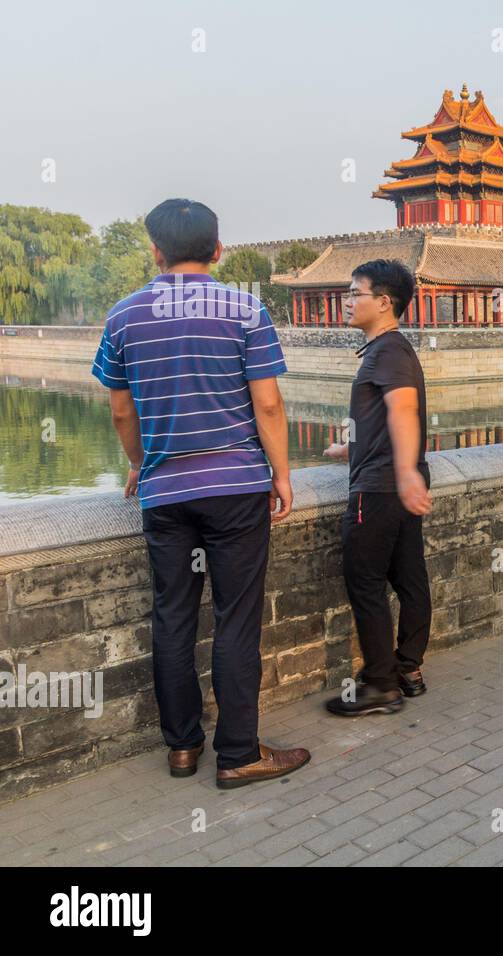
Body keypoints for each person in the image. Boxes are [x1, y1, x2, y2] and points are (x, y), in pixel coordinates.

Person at [91, 198, 309, 789]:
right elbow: (267, 402)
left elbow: (119, 410)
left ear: (155, 252)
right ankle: (238, 753)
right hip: (237, 487)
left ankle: (183, 748)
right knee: (237, 619)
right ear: (218, 249)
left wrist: (142, 464)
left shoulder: (124, 316)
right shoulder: (245, 308)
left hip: (165, 493)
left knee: (172, 617)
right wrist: (282, 475)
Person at [323, 260, 432, 717]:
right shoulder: (389, 350)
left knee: (365, 583)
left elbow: (403, 411)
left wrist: (404, 471)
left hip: (381, 489)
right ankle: (407, 667)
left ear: (384, 302)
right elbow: (387, 419)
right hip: (395, 481)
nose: (348, 301)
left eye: (355, 293)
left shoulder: (387, 351)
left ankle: (381, 684)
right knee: (409, 578)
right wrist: (353, 447)